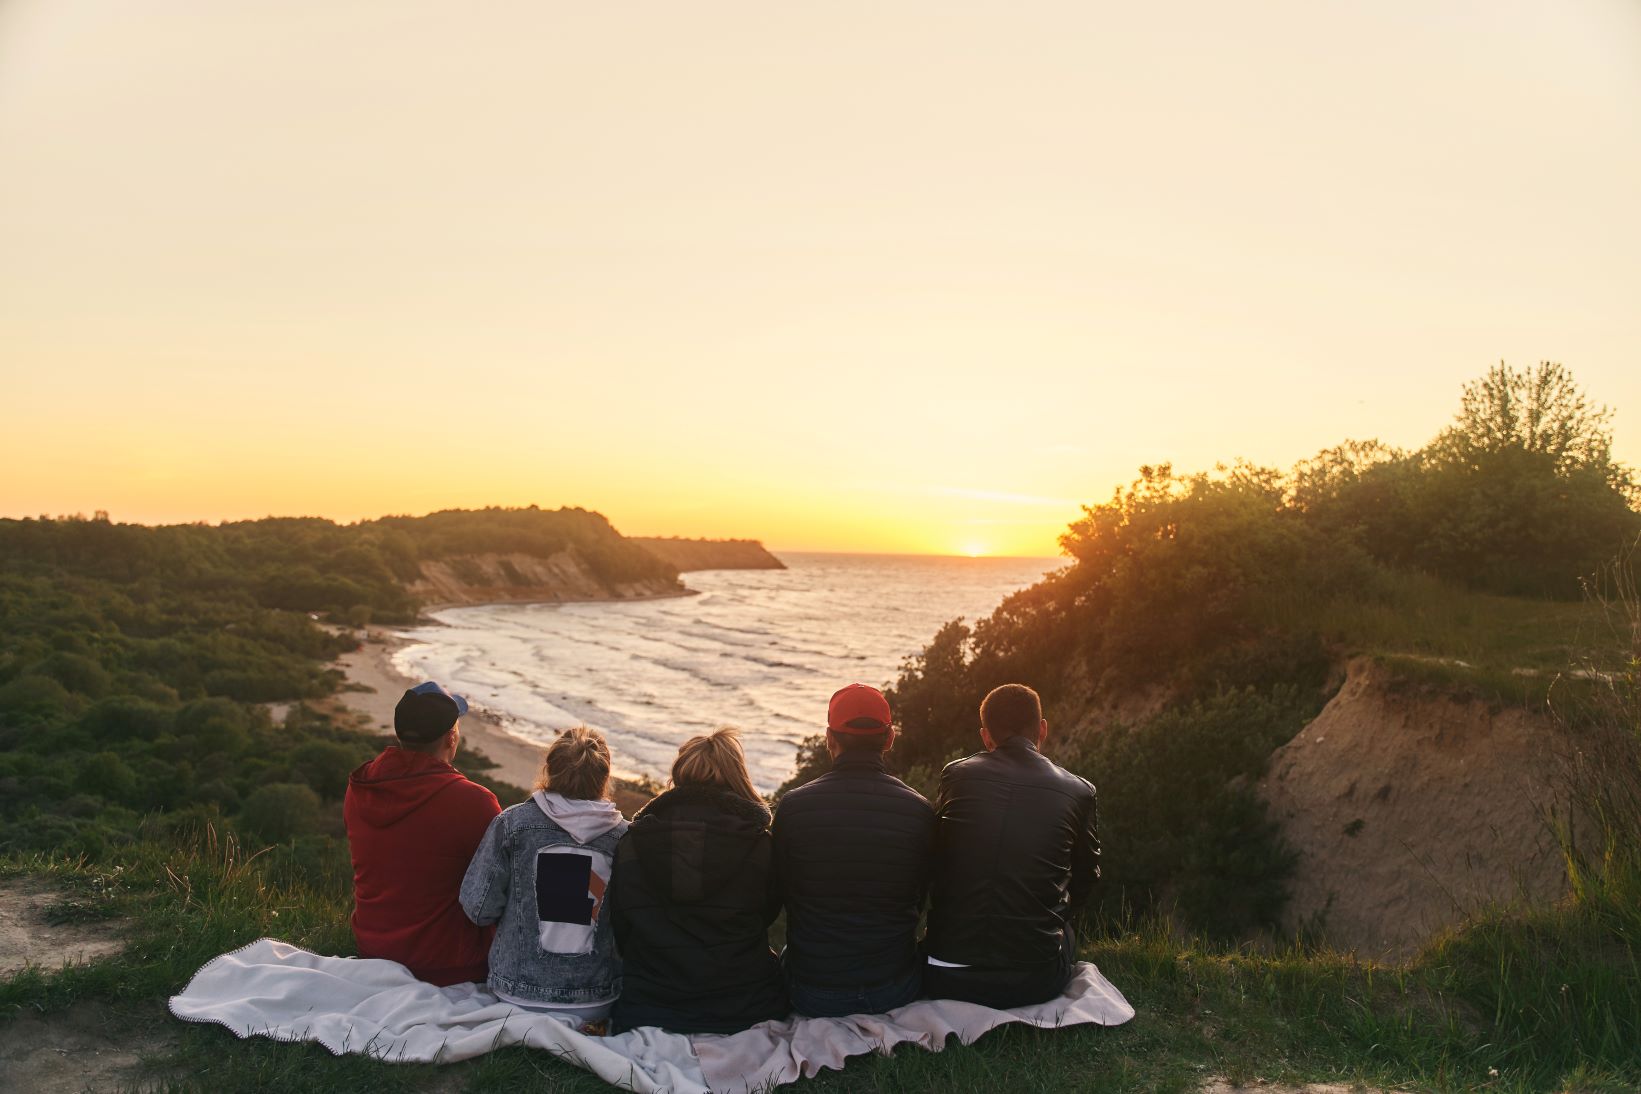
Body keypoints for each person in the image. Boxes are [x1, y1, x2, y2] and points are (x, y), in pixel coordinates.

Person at [923, 683, 1099, 1009]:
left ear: (986, 736)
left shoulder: (956, 776)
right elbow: (1087, 877)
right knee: (1066, 933)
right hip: (1034, 982)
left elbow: (935, 858)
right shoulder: (1079, 791)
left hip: (946, 976)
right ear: (1042, 730)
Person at [606, 728, 787, 1033]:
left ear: (678, 775)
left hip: (648, 1006)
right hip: (744, 1007)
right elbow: (766, 917)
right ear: (736, 776)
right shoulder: (760, 844)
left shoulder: (633, 842)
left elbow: (622, 924)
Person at [771, 683, 934, 1017]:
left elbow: (781, 895)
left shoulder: (793, 807)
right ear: (889, 739)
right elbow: (919, 899)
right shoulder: (919, 811)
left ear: (830, 739)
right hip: (895, 987)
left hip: (813, 991)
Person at [460, 726, 627, 1031]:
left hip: (515, 993)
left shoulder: (512, 824)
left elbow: (478, 909)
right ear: (605, 779)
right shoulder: (625, 838)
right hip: (595, 1000)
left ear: (549, 770)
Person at [344, 680, 500, 985]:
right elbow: (502, 888)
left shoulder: (360, 787)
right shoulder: (474, 802)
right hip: (449, 965)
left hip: (372, 950)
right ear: (451, 737)